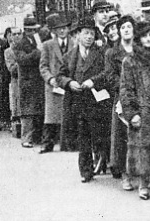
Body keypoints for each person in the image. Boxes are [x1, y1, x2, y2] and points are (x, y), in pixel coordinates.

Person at [56, 17, 111, 183]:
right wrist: (69, 82)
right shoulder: (69, 56)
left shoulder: (101, 53)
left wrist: (93, 81)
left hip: (98, 101)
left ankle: (103, 161)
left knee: (100, 135)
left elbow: (107, 73)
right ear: (78, 35)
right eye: (86, 33)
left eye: (92, 34)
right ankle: (86, 171)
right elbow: (59, 76)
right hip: (78, 103)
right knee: (83, 138)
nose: (89, 37)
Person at [120, 21, 150, 200]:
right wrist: (132, 113)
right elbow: (126, 89)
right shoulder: (130, 60)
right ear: (138, 39)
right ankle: (143, 184)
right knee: (142, 148)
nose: (148, 39)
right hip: (141, 110)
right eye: (144, 36)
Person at [103, 14, 136, 189]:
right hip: (123, 98)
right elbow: (110, 77)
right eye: (122, 28)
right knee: (123, 137)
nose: (126, 30)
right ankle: (125, 174)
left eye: (129, 27)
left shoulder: (141, 49)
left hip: (143, 97)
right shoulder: (111, 53)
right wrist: (126, 89)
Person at [38, 13, 72, 154]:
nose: (62, 31)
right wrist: (50, 79)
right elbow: (43, 66)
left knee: (69, 115)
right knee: (51, 117)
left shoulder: (75, 43)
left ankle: (69, 143)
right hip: (53, 86)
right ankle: (47, 143)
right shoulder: (48, 45)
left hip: (69, 84)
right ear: (54, 30)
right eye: (59, 28)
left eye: (64, 28)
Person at [14, 17, 46, 148]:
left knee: (38, 110)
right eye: (31, 30)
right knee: (28, 112)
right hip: (27, 81)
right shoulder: (19, 44)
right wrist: (37, 52)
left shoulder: (36, 40)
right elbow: (22, 60)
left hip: (37, 81)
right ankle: (26, 138)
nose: (33, 32)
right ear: (26, 30)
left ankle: (36, 138)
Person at [4, 27, 22, 137]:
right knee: (17, 104)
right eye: (13, 34)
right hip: (16, 81)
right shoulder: (8, 51)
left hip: (28, 81)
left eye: (18, 34)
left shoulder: (27, 48)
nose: (16, 36)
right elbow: (11, 69)